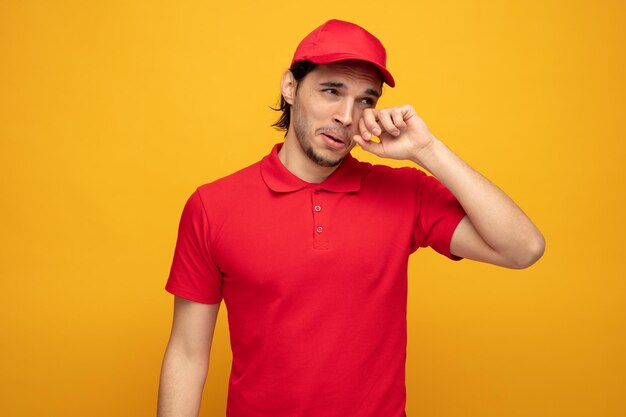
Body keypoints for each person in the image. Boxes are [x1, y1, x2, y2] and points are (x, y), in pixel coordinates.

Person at [157, 19, 545, 417]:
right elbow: (187, 353)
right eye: (331, 91)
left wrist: (426, 150)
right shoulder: (213, 205)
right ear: (290, 87)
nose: (347, 115)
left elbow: (523, 248)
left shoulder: (405, 193)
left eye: (365, 100)